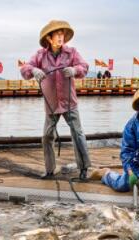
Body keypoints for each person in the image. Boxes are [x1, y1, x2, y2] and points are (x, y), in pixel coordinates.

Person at [20, 20, 91, 180]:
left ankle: (84, 168)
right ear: (49, 38)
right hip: (51, 104)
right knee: (46, 136)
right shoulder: (40, 55)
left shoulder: (72, 52)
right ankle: (50, 169)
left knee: (78, 134)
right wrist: (34, 70)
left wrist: (75, 70)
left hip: (69, 102)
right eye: (57, 34)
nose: (61, 37)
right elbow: (24, 69)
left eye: (62, 34)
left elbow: (84, 67)